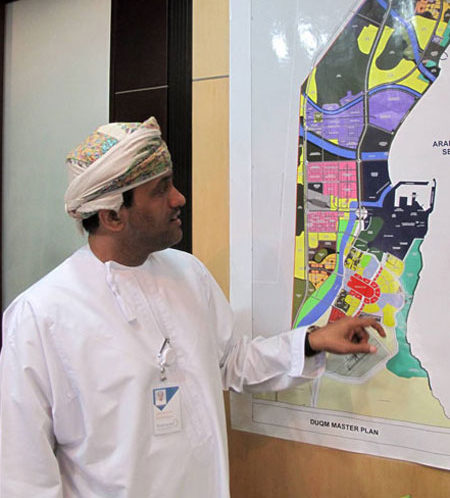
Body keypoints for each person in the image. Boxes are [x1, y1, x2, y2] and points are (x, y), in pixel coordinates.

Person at [0, 117, 385, 497]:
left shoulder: (187, 272)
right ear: (112, 215)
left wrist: (312, 342)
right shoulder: (40, 315)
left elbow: (231, 362)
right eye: (160, 190)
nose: (179, 198)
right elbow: (24, 476)